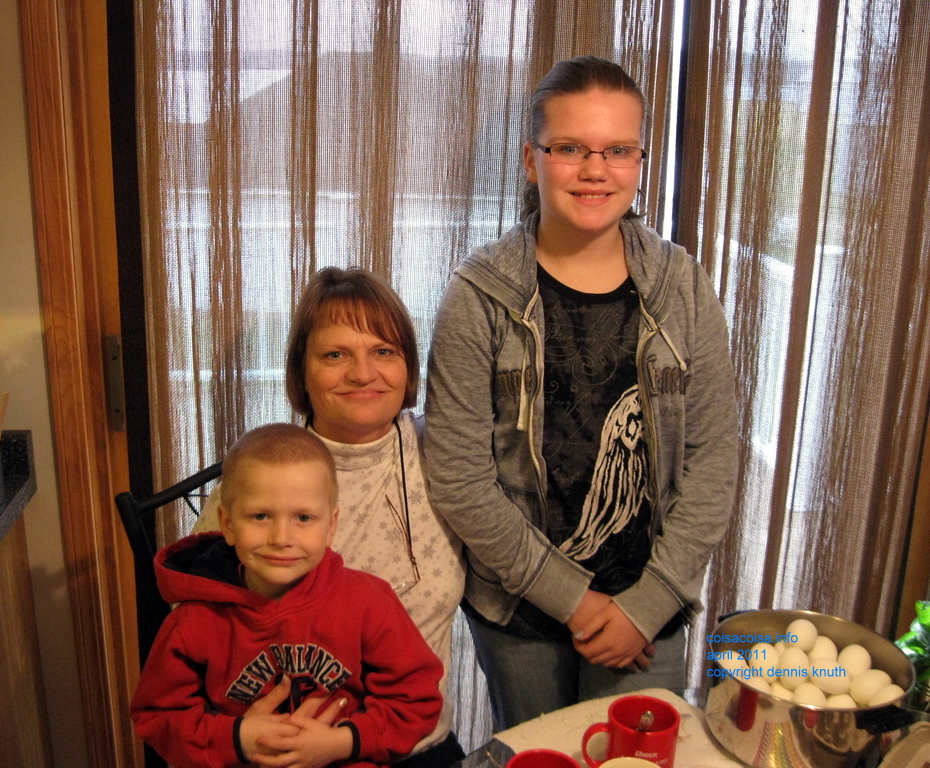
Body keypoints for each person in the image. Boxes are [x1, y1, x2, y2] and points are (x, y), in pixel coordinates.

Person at [424, 55, 738, 729]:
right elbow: (458, 476)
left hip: (647, 608)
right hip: (519, 614)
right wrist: (575, 600)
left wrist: (646, 604)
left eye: (618, 150)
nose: (596, 170)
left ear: (639, 161)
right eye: (570, 148)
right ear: (531, 160)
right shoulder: (479, 297)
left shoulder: (683, 287)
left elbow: (712, 460)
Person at [194, 267, 466, 768]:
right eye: (335, 355)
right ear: (302, 372)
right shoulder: (264, 471)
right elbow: (193, 632)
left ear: (408, 367)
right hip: (286, 752)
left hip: (419, 746)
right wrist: (241, 731)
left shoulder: (447, 454)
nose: (362, 374)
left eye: (383, 351)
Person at [132, 423, 444, 768]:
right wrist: (238, 738)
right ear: (228, 524)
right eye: (260, 516)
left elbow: (417, 700)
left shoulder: (369, 602)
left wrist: (342, 742)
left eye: (303, 517)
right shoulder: (195, 619)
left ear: (331, 526)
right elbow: (158, 717)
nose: (281, 538)